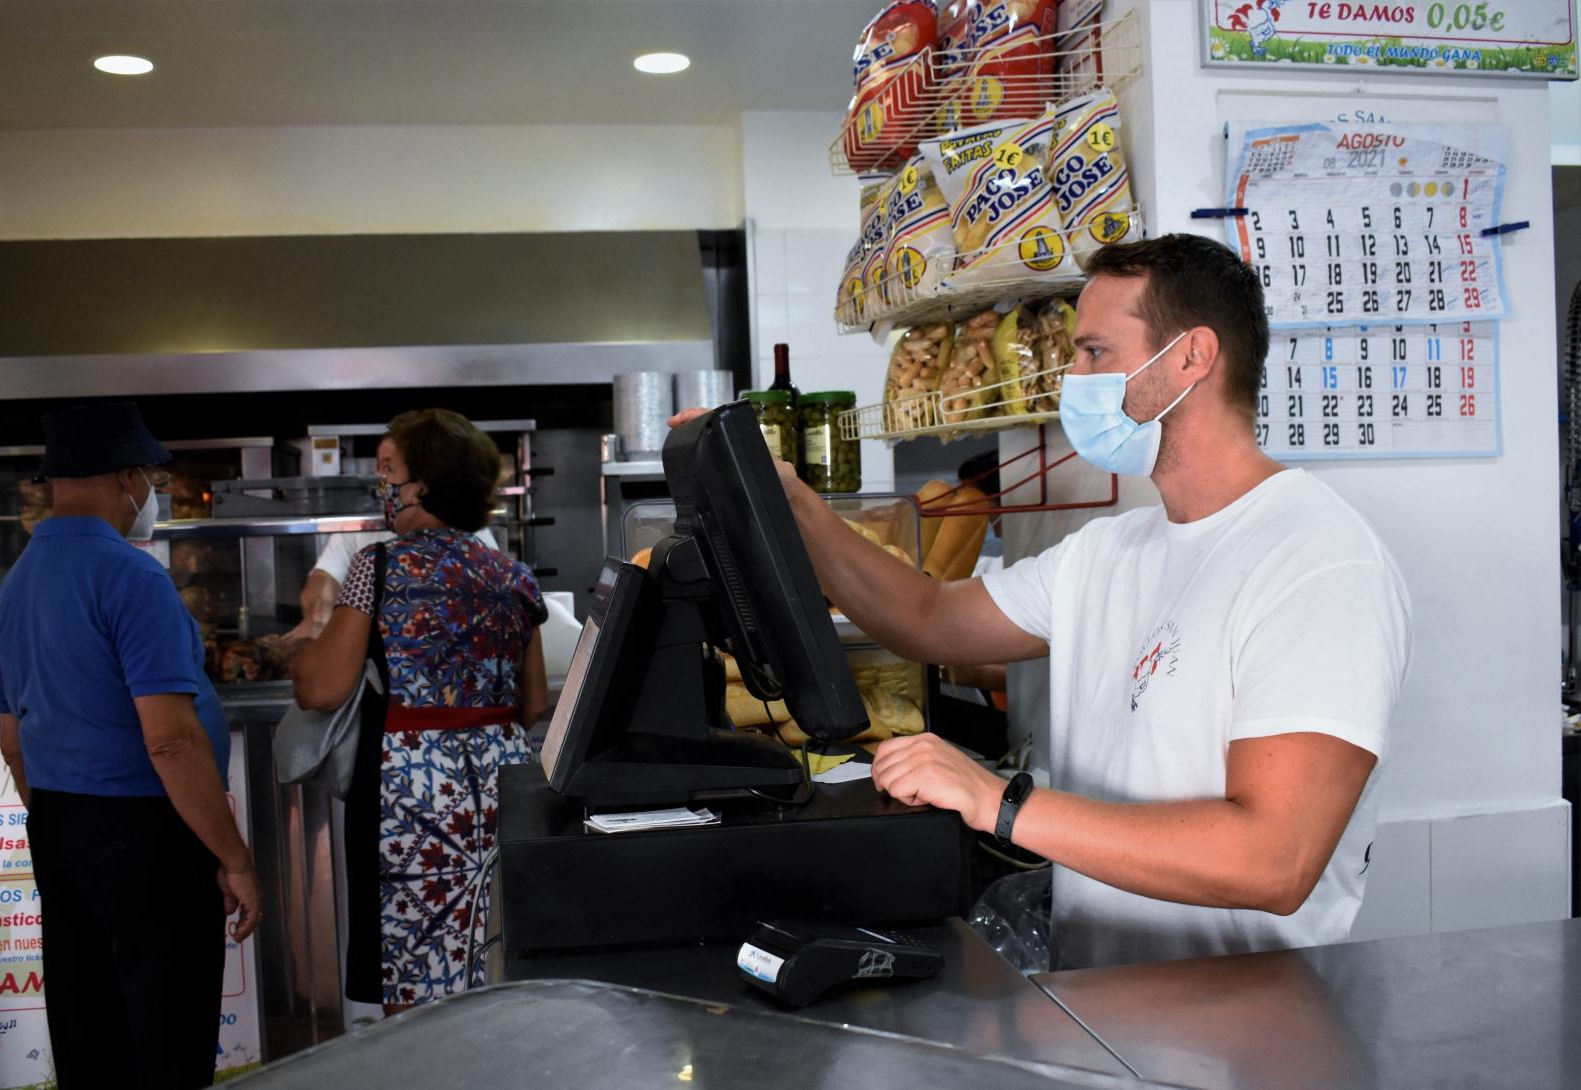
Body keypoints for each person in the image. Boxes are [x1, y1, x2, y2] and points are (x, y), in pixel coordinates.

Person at [681, 233, 1412, 971]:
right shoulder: (1111, 552)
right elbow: (929, 619)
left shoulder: (1316, 560)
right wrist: (792, 506)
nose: (1074, 376)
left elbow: (1274, 860)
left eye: (1094, 353)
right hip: (1106, 1005)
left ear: (1192, 358)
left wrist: (1000, 802)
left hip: (1256, 1029)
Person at [0, 402, 261, 1090]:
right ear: (125, 476)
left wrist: (65, 823)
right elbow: (169, 741)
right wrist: (232, 857)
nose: (153, 491)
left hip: (58, 824)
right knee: (167, 1040)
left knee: (88, 1031)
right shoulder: (132, 577)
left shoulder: (14, 586)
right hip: (146, 834)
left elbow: (13, 742)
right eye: (149, 475)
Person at [291, 409, 547, 1010]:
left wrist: (304, 647)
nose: (381, 485)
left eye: (389, 472)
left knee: (414, 970)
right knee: (494, 959)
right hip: (503, 785)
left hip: (409, 793)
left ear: (423, 485)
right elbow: (532, 704)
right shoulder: (513, 574)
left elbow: (322, 689)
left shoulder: (376, 567)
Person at [288, 434, 502, 640]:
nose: (382, 480)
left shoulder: (372, 561)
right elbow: (325, 577)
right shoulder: (362, 528)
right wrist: (319, 617)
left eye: (389, 468)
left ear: (419, 484)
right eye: (380, 467)